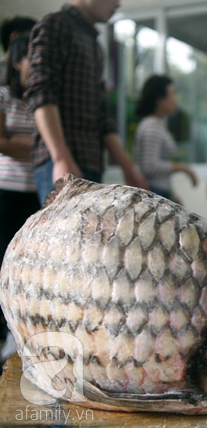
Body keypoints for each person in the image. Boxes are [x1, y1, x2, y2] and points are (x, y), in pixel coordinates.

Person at [26, 0, 147, 205]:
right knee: (62, 236)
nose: (118, 3)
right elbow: (41, 92)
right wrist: (60, 158)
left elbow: (102, 115)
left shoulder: (94, 43)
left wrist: (129, 169)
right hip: (60, 163)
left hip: (90, 162)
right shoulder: (55, 25)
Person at [0, 33, 40, 371]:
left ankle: (22, 342)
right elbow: (1, 143)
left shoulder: (40, 100)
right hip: (6, 194)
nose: (38, 67)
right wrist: (41, 145)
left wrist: (17, 143)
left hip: (38, 195)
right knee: (3, 268)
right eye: (32, 59)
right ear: (16, 61)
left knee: (30, 272)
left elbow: (11, 142)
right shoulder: (2, 96)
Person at [134, 75, 197, 202]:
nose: (175, 100)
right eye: (172, 95)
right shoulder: (151, 127)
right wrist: (182, 168)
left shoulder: (156, 124)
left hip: (160, 190)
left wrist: (172, 195)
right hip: (154, 192)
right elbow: (149, 166)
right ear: (160, 99)